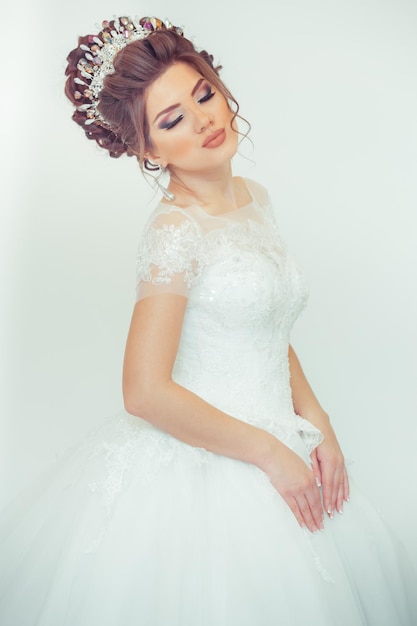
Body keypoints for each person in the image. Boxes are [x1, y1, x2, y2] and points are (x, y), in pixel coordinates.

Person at [0, 14, 415, 626]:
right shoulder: (175, 231)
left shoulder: (254, 197)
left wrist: (317, 418)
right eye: (172, 120)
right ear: (145, 149)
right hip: (211, 456)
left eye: (203, 93)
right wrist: (269, 453)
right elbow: (143, 392)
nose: (204, 120)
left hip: (283, 428)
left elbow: (264, 326)